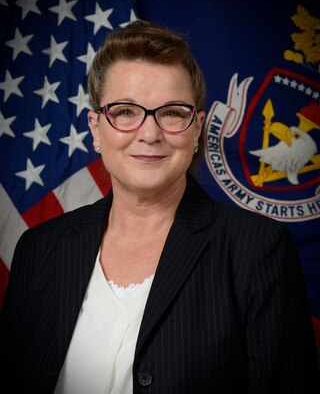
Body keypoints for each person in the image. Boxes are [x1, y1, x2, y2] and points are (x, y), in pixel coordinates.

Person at [0, 20, 319, 394]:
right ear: (96, 129)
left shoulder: (258, 248)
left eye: (171, 113)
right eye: (125, 112)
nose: (149, 134)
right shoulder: (38, 249)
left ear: (197, 128)